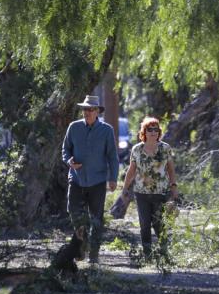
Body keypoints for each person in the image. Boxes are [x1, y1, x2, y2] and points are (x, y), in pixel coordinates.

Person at [62, 94, 119, 264]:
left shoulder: (106, 130)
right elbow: (65, 150)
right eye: (84, 109)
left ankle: (94, 254)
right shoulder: (74, 127)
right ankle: (81, 245)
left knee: (96, 218)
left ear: (97, 112)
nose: (86, 112)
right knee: (73, 211)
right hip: (77, 179)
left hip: (97, 181)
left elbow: (112, 156)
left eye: (90, 109)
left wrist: (113, 178)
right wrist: (69, 160)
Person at [120, 116, 178, 260]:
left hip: (161, 193)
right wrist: (125, 188)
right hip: (141, 193)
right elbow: (131, 170)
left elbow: (171, 169)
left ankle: (164, 253)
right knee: (144, 224)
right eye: (149, 129)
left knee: (159, 224)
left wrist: (174, 186)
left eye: (156, 129)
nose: (153, 132)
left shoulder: (165, 148)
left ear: (159, 132)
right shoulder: (137, 149)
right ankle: (147, 254)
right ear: (144, 132)